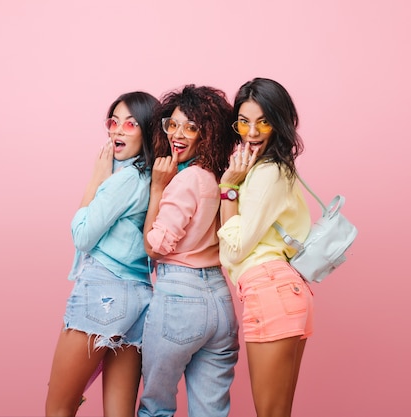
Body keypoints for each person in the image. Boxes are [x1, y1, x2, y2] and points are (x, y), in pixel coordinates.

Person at [45, 91, 159, 417]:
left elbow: (82, 236)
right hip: (139, 299)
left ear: (149, 130)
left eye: (131, 123)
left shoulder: (124, 179)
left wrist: (96, 178)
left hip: (103, 292)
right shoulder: (154, 179)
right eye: (114, 121)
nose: (118, 130)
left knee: (59, 407)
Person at [137, 85, 239, 417]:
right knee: (211, 411)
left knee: (156, 408)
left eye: (190, 127)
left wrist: (156, 188)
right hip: (220, 301)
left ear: (208, 134)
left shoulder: (185, 180)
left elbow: (154, 247)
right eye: (173, 124)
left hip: (180, 298)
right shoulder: (217, 178)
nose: (177, 135)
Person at [217, 77, 313, 417]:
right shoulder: (277, 169)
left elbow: (235, 250)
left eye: (264, 121)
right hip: (284, 290)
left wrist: (228, 188)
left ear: (280, 121)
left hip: (269, 289)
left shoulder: (266, 173)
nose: (252, 132)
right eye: (244, 121)